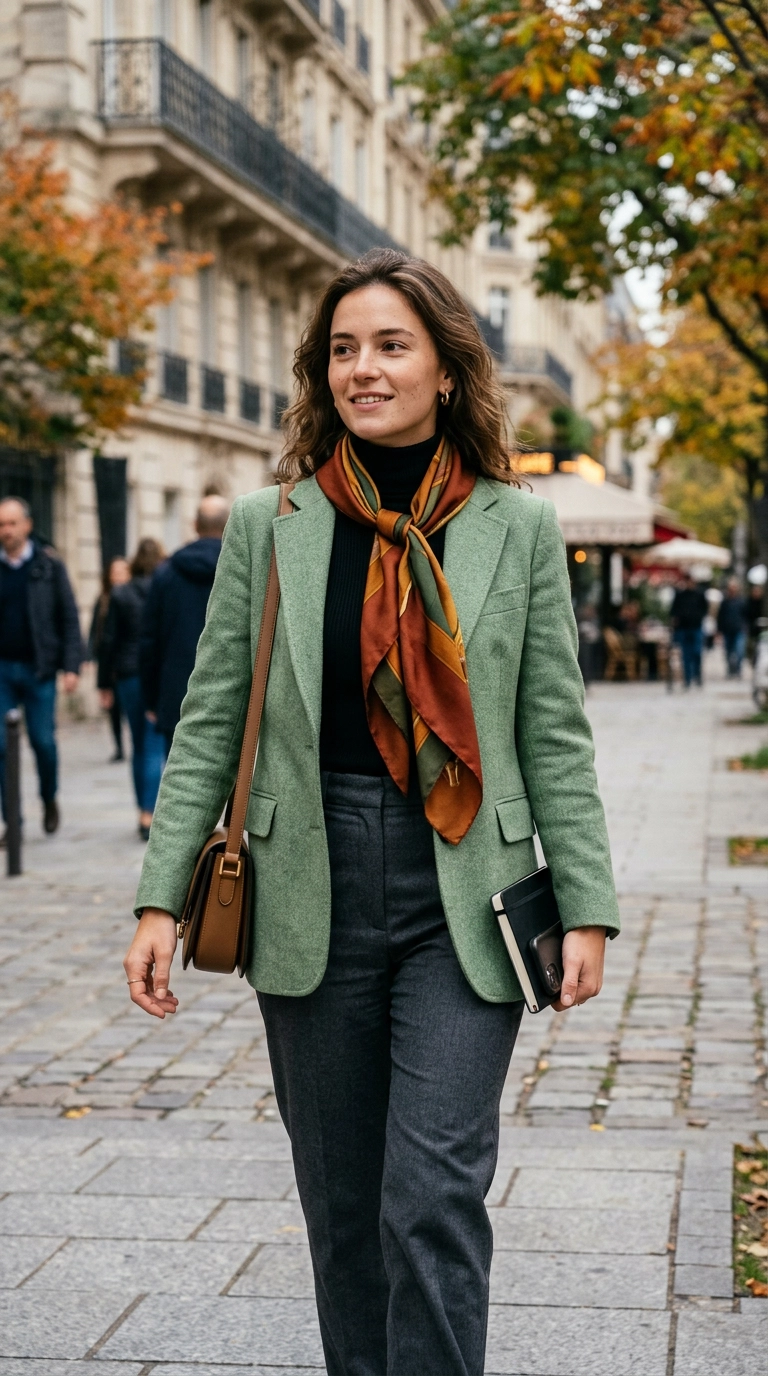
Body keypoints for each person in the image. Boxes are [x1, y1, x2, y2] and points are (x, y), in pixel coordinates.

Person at [124, 249, 620, 1376]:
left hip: (468, 885)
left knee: (431, 1194)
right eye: (344, 349)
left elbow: (553, 731)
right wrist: (160, 898)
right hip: (311, 878)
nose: (364, 368)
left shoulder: (518, 526)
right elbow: (210, 719)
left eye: (392, 345)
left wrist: (587, 902)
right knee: (344, 1208)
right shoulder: (272, 522)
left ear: (447, 368)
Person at [0, 495, 84, 841]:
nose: (6, 530)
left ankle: (49, 797)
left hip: (40, 669)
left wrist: (71, 665)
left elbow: (69, 615)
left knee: (43, 742)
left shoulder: (49, 565)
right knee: (2, 746)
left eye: (12, 523)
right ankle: (13, 824)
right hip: (2, 673)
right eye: (1, 524)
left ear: (27, 525)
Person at [139, 495, 229, 755]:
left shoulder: (166, 572)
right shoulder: (245, 569)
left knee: (179, 768)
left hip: (176, 693)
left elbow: (149, 641)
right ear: (228, 525)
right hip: (230, 694)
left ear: (195, 525)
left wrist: (152, 698)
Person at [101, 538, 166, 841]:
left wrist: (103, 682)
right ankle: (149, 812)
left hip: (127, 675)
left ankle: (142, 808)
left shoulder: (121, 593)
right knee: (154, 745)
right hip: (157, 675)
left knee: (138, 744)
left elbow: (108, 641)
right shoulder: (165, 589)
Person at [88, 557, 131, 760]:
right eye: (115, 572)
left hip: (127, 662)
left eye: (123, 572)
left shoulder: (134, 595)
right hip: (108, 660)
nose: (119, 576)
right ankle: (119, 746)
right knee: (113, 708)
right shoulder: (103, 600)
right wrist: (90, 654)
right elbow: (95, 630)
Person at [670, 572, 708, 687]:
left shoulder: (699, 594)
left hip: (696, 627)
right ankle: (687, 678)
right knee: (686, 654)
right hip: (683, 628)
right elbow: (673, 611)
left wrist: (698, 617)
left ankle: (697, 674)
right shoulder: (680, 595)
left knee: (697, 652)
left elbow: (705, 609)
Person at [717, 578, 747, 677]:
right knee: (728, 652)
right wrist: (719, 630)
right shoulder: (725, 602)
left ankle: (738, 670)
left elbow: (746, 616)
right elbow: (720, 617)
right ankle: (730, 670)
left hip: (739, 630)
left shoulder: (741, 601)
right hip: (727, 630)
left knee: (739, 651)